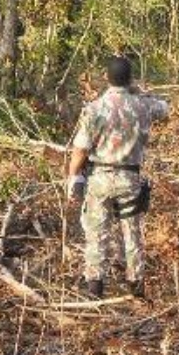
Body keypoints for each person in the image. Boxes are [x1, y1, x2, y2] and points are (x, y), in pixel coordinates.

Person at [67, 55, 169, 299]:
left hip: (99, 177)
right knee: (132, 231)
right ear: (130, 79)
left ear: (106, 78)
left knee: (96, 231)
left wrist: (73, 177)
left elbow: (80, 149)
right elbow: (165, 109)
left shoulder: (94, 109)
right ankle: (135, 283)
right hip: (129, 177)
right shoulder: (142, 105)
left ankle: (95, 285)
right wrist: (138, 91)